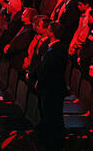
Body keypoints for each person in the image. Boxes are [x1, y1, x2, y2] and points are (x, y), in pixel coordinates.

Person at [35, 21, 68, 149]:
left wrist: (40, 81)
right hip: (51, 88)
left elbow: (48, 70)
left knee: (53, 116)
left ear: (52, 32)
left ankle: (53, 143)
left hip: (52, 90)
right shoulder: (55, 48)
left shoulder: (56, 50)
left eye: (48, 29)